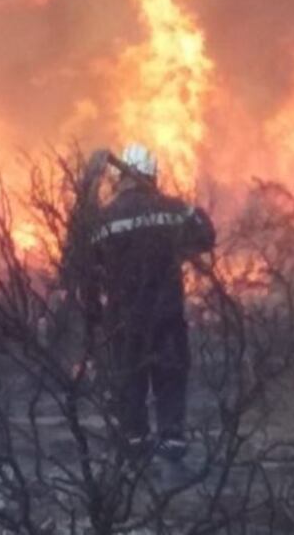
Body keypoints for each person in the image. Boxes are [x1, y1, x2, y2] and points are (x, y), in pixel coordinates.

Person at [85, 143, 215, 462]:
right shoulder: (171, 210)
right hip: (167, 317)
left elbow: (86, 265)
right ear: (152, 175)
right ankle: (173, 460)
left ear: (119, 178)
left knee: (130, 391)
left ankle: (135, 467)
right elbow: (205, 237)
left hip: (124, 323)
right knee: (170, 385)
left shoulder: (104, 219)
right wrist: (188, 213)